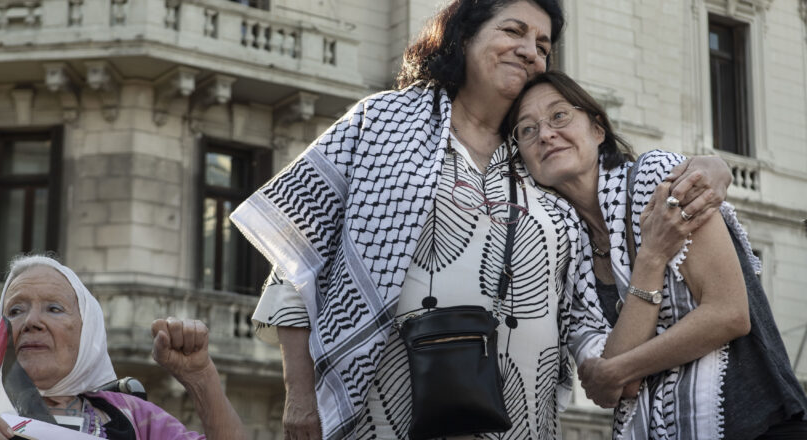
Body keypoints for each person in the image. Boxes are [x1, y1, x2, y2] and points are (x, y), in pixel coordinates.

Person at [230, 1, 733, 438]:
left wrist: (714, 165)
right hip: (386, 409)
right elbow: (296, 255)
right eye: (513, 31)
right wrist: (299, 393)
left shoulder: (539, 159)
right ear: (464, 36)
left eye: (542, 44)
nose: (531, 51)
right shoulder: (380, 120)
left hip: (522, 417)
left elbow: (606, 202)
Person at [508, 70, 807, 439]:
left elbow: (729, 314)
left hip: (760, 424)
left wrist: (617, 368)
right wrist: (651, 258)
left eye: (559, 116)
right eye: (527, 130)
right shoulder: (565, 260)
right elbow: (619, 390)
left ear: (598, 129)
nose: (546, 134)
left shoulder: (658, 177)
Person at [0, 255, 246, 440]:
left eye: (54, 308)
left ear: (87, 331)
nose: (31, 322)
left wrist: (201, 378)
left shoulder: (135, 418)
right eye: (15, 311)